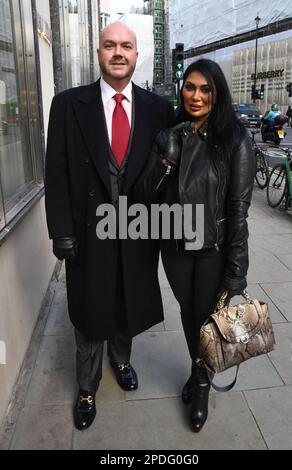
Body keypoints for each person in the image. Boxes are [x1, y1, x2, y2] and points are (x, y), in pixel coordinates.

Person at [45, 22, 174, 430]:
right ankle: (86, 386)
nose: (118, 53)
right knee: (88, 310)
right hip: (87, 232)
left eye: (127, 46)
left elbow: (170, 174)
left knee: (126, 300)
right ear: (98, 53)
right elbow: (57, 172)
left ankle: (121, 360)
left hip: (137, 231)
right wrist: (60, 229)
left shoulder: (158, 109)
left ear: (137, 56)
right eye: (110, 45)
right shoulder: (68, 105)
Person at [135, 59, 255, 433]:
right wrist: (166, 158)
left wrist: (237, 268)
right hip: (174, 246)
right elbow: (142, 195)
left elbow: (238, 208)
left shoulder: (234, 138)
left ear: (216, 92)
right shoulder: (172, 132)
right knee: (189, 313)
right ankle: (197, 367)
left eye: (206, 89)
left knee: (205, 316)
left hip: (212, 249)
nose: (197, 96)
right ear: (181, 90)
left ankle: (201, 383)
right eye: (190, 87)